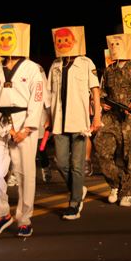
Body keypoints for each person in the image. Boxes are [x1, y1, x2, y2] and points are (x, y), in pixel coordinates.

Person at [0, 22, 45, 237]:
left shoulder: (32, 68)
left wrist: (27, 128)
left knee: (24, 173)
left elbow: (38, 98)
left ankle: (24, 218)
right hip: (0, 121)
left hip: (23, 120)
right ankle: (1, 214)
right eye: (3, 39)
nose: (6, 42)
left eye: (10, 38)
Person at [47, 26, 102, 220]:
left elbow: (95, 90)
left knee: (77, 164)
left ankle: (74, 202)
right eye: (59, 41)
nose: (62, 44)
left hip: (79, 120)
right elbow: (49, 94)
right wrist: (47, 117)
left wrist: (97, 116)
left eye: (65, 40)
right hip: (59, 121)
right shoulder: (55, 65)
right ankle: (78, 188)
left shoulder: (86, 63)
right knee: (61, 162)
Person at [94, 34, 131, 208]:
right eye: (112, 44)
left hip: (128, 117)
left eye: (118, 44)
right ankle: (117, 183)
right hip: (110, 116)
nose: (114, 47)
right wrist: (102, 102)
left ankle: (127, 192)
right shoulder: (109, 70)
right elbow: (102, 91)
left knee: (128, 154)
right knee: (102, 149)